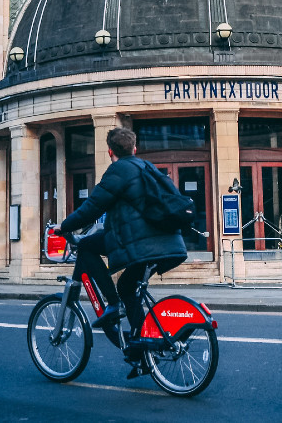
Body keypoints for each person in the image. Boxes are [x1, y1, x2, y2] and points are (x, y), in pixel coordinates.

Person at [56, 127, 188, 375]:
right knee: (130, 287)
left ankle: (113, 305)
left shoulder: (118, 170)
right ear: (134, 148)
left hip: (142, 243)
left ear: (110, 152)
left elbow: (92, 207)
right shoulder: (145, 167)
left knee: (85, 247)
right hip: (168, 243)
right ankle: (142, 354)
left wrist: (63, 227)